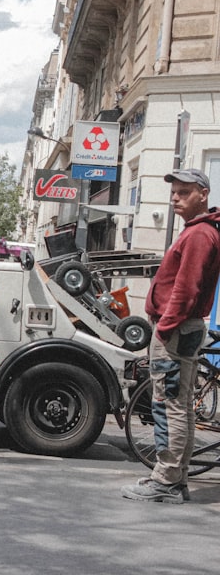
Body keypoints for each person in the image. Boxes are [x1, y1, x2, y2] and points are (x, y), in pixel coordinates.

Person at [121, 168, 220, 504]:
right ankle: (174, 479)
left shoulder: (198, 235)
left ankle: (166, 480)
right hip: (184, 329)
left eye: (184, 192)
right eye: (174, 192)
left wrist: (164, 326)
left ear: (203, 194)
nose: (175, 197)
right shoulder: (200, 232)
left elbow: (186, 288)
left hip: (176, 330)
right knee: (181, 407)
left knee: (168, 405)